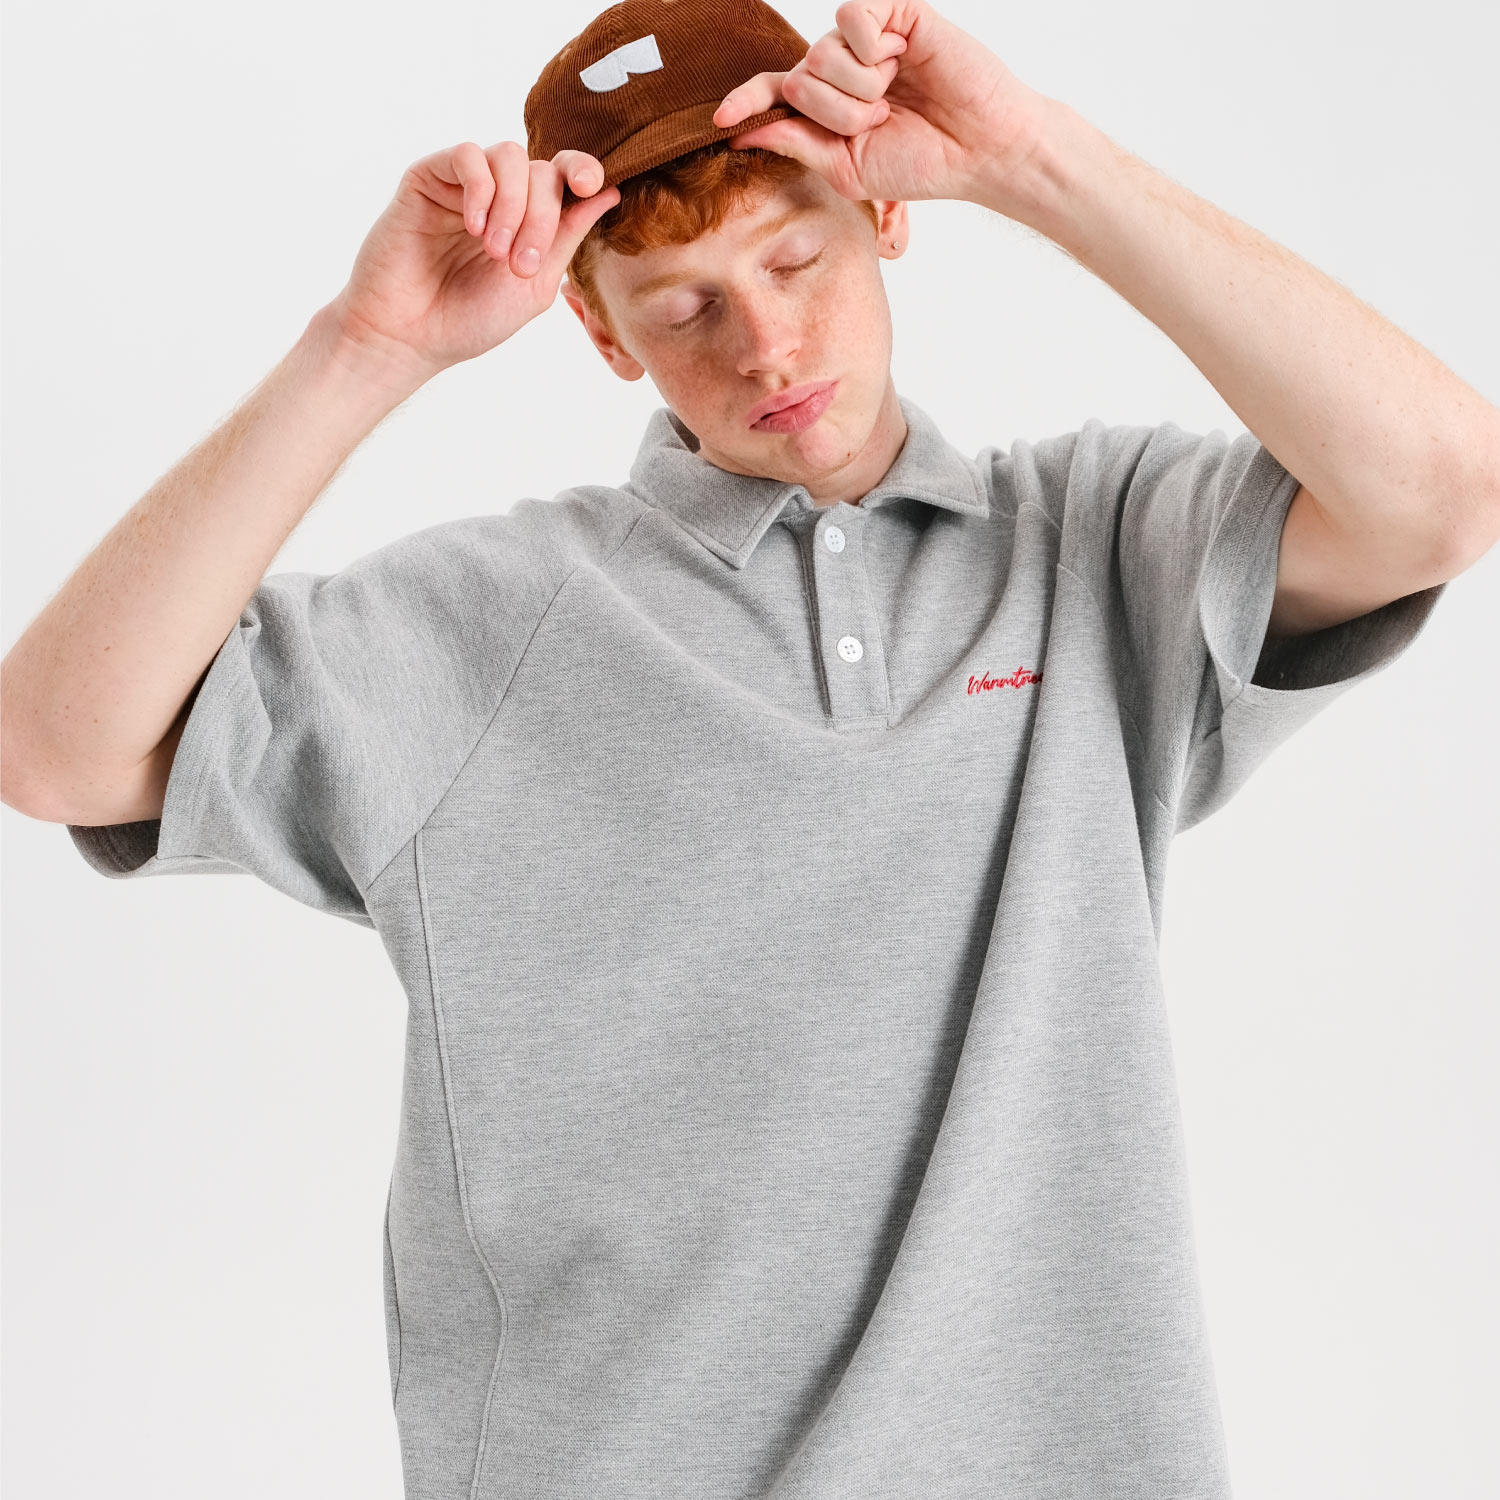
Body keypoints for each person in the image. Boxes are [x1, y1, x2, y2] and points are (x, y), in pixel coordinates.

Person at [2, 0, 1493, 1494]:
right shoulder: (485, 625)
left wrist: (1034, 159)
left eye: (793, 260)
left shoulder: (1096, 551)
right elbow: (56, 748)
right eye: (681, 306)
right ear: (600, 331)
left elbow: (1443, 488)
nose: (767, 344)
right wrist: (364, 349)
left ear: (883, 215)